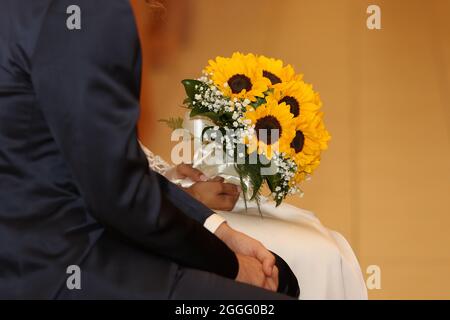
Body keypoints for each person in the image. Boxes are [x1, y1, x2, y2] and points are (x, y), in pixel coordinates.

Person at [0, 0, 298, 299]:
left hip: (33, 242)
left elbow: (102, 161)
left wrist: (220, 232)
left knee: (282, 273)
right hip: (53, 265)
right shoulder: (85, 13)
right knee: (275, 288)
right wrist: (230, 265)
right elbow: (120, 194)